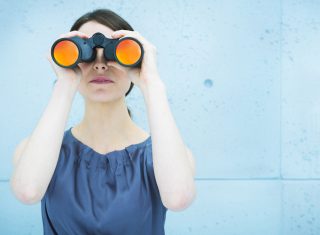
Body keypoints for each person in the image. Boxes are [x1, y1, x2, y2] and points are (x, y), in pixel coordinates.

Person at [10, 8, 196, 235]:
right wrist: (65, 83)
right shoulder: (40, 152)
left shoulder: (166, 156)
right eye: (86, 53)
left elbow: (178, 199)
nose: (100, 65)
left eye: (112, 53)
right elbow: (27, 191)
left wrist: (151, 83)